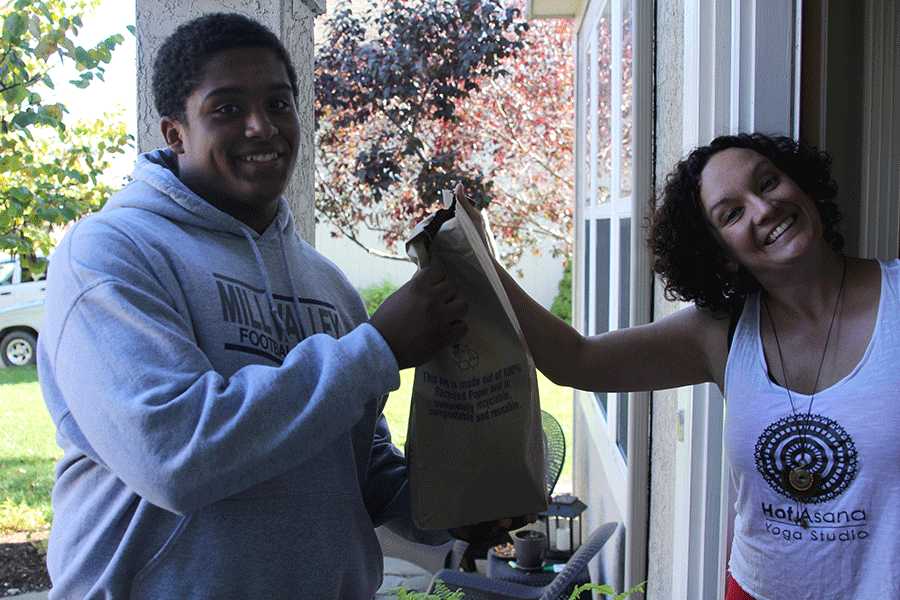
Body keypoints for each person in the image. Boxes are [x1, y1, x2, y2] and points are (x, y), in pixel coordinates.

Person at [37, 13, 533, 599]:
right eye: (226, 109)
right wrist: (376, 348)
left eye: (278, 103)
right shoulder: (110, 254)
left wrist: (447, 503)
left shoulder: (326, 283)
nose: (261, 127)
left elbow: (354, 465)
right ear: (175, 133)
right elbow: (172, 455)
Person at [456, 132, 899, 599]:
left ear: (804, 186)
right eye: (732, 213)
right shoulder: (720, 334)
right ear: (723, 255)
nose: (763, 208)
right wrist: (479, 256)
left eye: (768, 183)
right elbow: (576, 360)